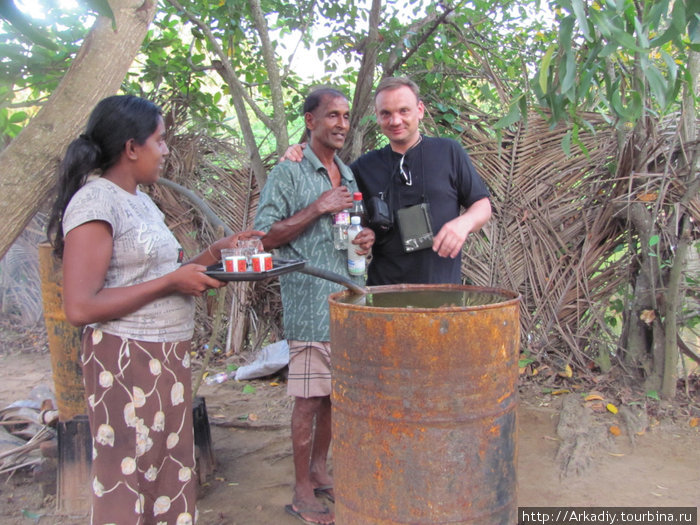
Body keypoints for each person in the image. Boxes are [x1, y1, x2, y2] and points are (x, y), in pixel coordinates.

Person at [46, 95, 263, 525]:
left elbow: (159, 274)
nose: (165, 151)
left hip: (165, 357)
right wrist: (171, 281)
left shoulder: (141, 200)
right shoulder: (95, 203)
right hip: (122, 362)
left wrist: (211, 256)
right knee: (127, 473)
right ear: (131, 148)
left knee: (168, 470)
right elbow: (80, 305)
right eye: (160, 141)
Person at [254, 88, 374, 525]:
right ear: (310, 121)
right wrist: (317, 207)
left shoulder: (347, 174)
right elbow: (263, 236)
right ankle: (302, 490)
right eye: (331, 116)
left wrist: (365, 240)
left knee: (332, 400)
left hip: (348, 301)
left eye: (345, 116)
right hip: (308, 301)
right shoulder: (287, 172)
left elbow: (350, 233)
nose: (341, 124)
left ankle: (321, 472)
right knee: (307, 400)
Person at [284, 76, 492, 286]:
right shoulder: (363, 167)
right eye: (386, 113)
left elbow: (482, 205)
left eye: (403, 111)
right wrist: (302, 151)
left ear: (419, 110)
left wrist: (464, 223)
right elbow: (331, 186)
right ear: (376, 116)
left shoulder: (448, 152)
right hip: (384, 294)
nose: (395, 121)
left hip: (442, 292)